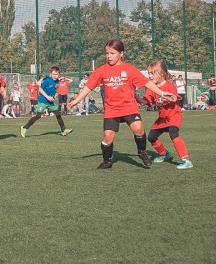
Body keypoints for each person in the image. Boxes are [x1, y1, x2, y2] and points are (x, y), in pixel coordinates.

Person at [67, 39, 175, 169]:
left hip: (129, 107)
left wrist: (162, 93)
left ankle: (142, 152)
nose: (109, 56)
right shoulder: (102, 70)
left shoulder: (129, 69)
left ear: (121, 53)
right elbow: (88, 87)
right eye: (107, 53)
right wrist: (76, 100)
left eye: (112, 53)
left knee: (138, 128)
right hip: (111, 109)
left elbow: (147, 83)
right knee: (108, 136)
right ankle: (107, 161)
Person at [142, 60, 192, 169]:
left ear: (161, 73)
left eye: (152, 73)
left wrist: (172, 98)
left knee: (173, 133)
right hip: (162, 118)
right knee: (151, 137)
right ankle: (164, 153)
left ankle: (186, 160)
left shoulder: (169, 85)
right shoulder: (151, 88)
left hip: (174, 115)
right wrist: (134, 96)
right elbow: (145, 102)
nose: (149, 76)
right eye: (148, 73)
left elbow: (174, 98)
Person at [20, 66, 73, 138]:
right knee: (38, 116)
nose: (55, 76)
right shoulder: (47, 80)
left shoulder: (57, 80)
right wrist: (47, 96)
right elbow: (40, 89)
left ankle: (63, 130)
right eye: (53, 74)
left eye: (57, 74)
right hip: (43, 100)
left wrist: (54, 95)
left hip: (50, 102)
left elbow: (55, 86)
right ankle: (24, 128)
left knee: (58, 114)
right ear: (50, 74)